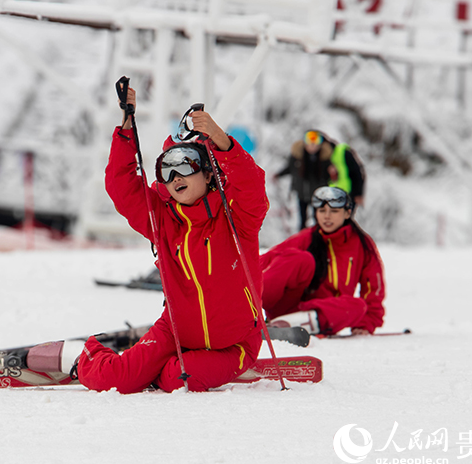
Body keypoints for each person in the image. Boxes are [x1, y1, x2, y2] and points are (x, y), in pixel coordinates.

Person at [74, 86, 269, 393]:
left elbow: (252, 185)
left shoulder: (237, 217)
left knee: (178, 378)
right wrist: (127, 125)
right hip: (176, 332)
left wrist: (220, 139)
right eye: (167, 168)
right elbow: (121, 185)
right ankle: (84, 357)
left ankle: (171, 367)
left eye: (187, 164)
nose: (176, 175)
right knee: (118, 380)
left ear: (207, 174)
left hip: (234, 344)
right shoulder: (162, 219)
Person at [259, 186, 385, 336]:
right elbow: (262, 263)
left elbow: (373, 288)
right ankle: (249, 311)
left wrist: (367, 324)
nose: (327, 216)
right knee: (299, 258)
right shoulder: (306, 238)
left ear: (347, 213)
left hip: (327, 315)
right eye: (321, 211)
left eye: (334, 211)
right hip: (288, 308)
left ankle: (300, 323)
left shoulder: (362, 245)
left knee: (358, 306)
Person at [274, 130, 333, 231]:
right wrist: (278, 175)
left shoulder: (325, 158)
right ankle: (303, 241)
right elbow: (289, 168)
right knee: (302, 220)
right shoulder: (298, 156)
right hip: (301, 193)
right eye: (310, 143)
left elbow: (331, 175)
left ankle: (319, 240)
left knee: (319, 219)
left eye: (316, 143)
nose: (312, 146)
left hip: (319, 195)